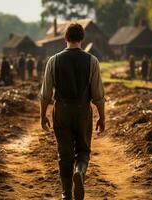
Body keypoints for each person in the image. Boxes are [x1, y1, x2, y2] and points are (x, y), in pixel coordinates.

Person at [40, 23, 105, 200]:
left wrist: (42, 115)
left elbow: (45, 93)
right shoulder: (92, 61)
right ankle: (79, 171)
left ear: (65, 38)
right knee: (83, 150)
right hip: (83, 110)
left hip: (61, 110)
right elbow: (98, 94)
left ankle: (66, 193)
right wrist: (102, 117)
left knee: (64, 153)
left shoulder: (53, 61)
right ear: (82, 39)